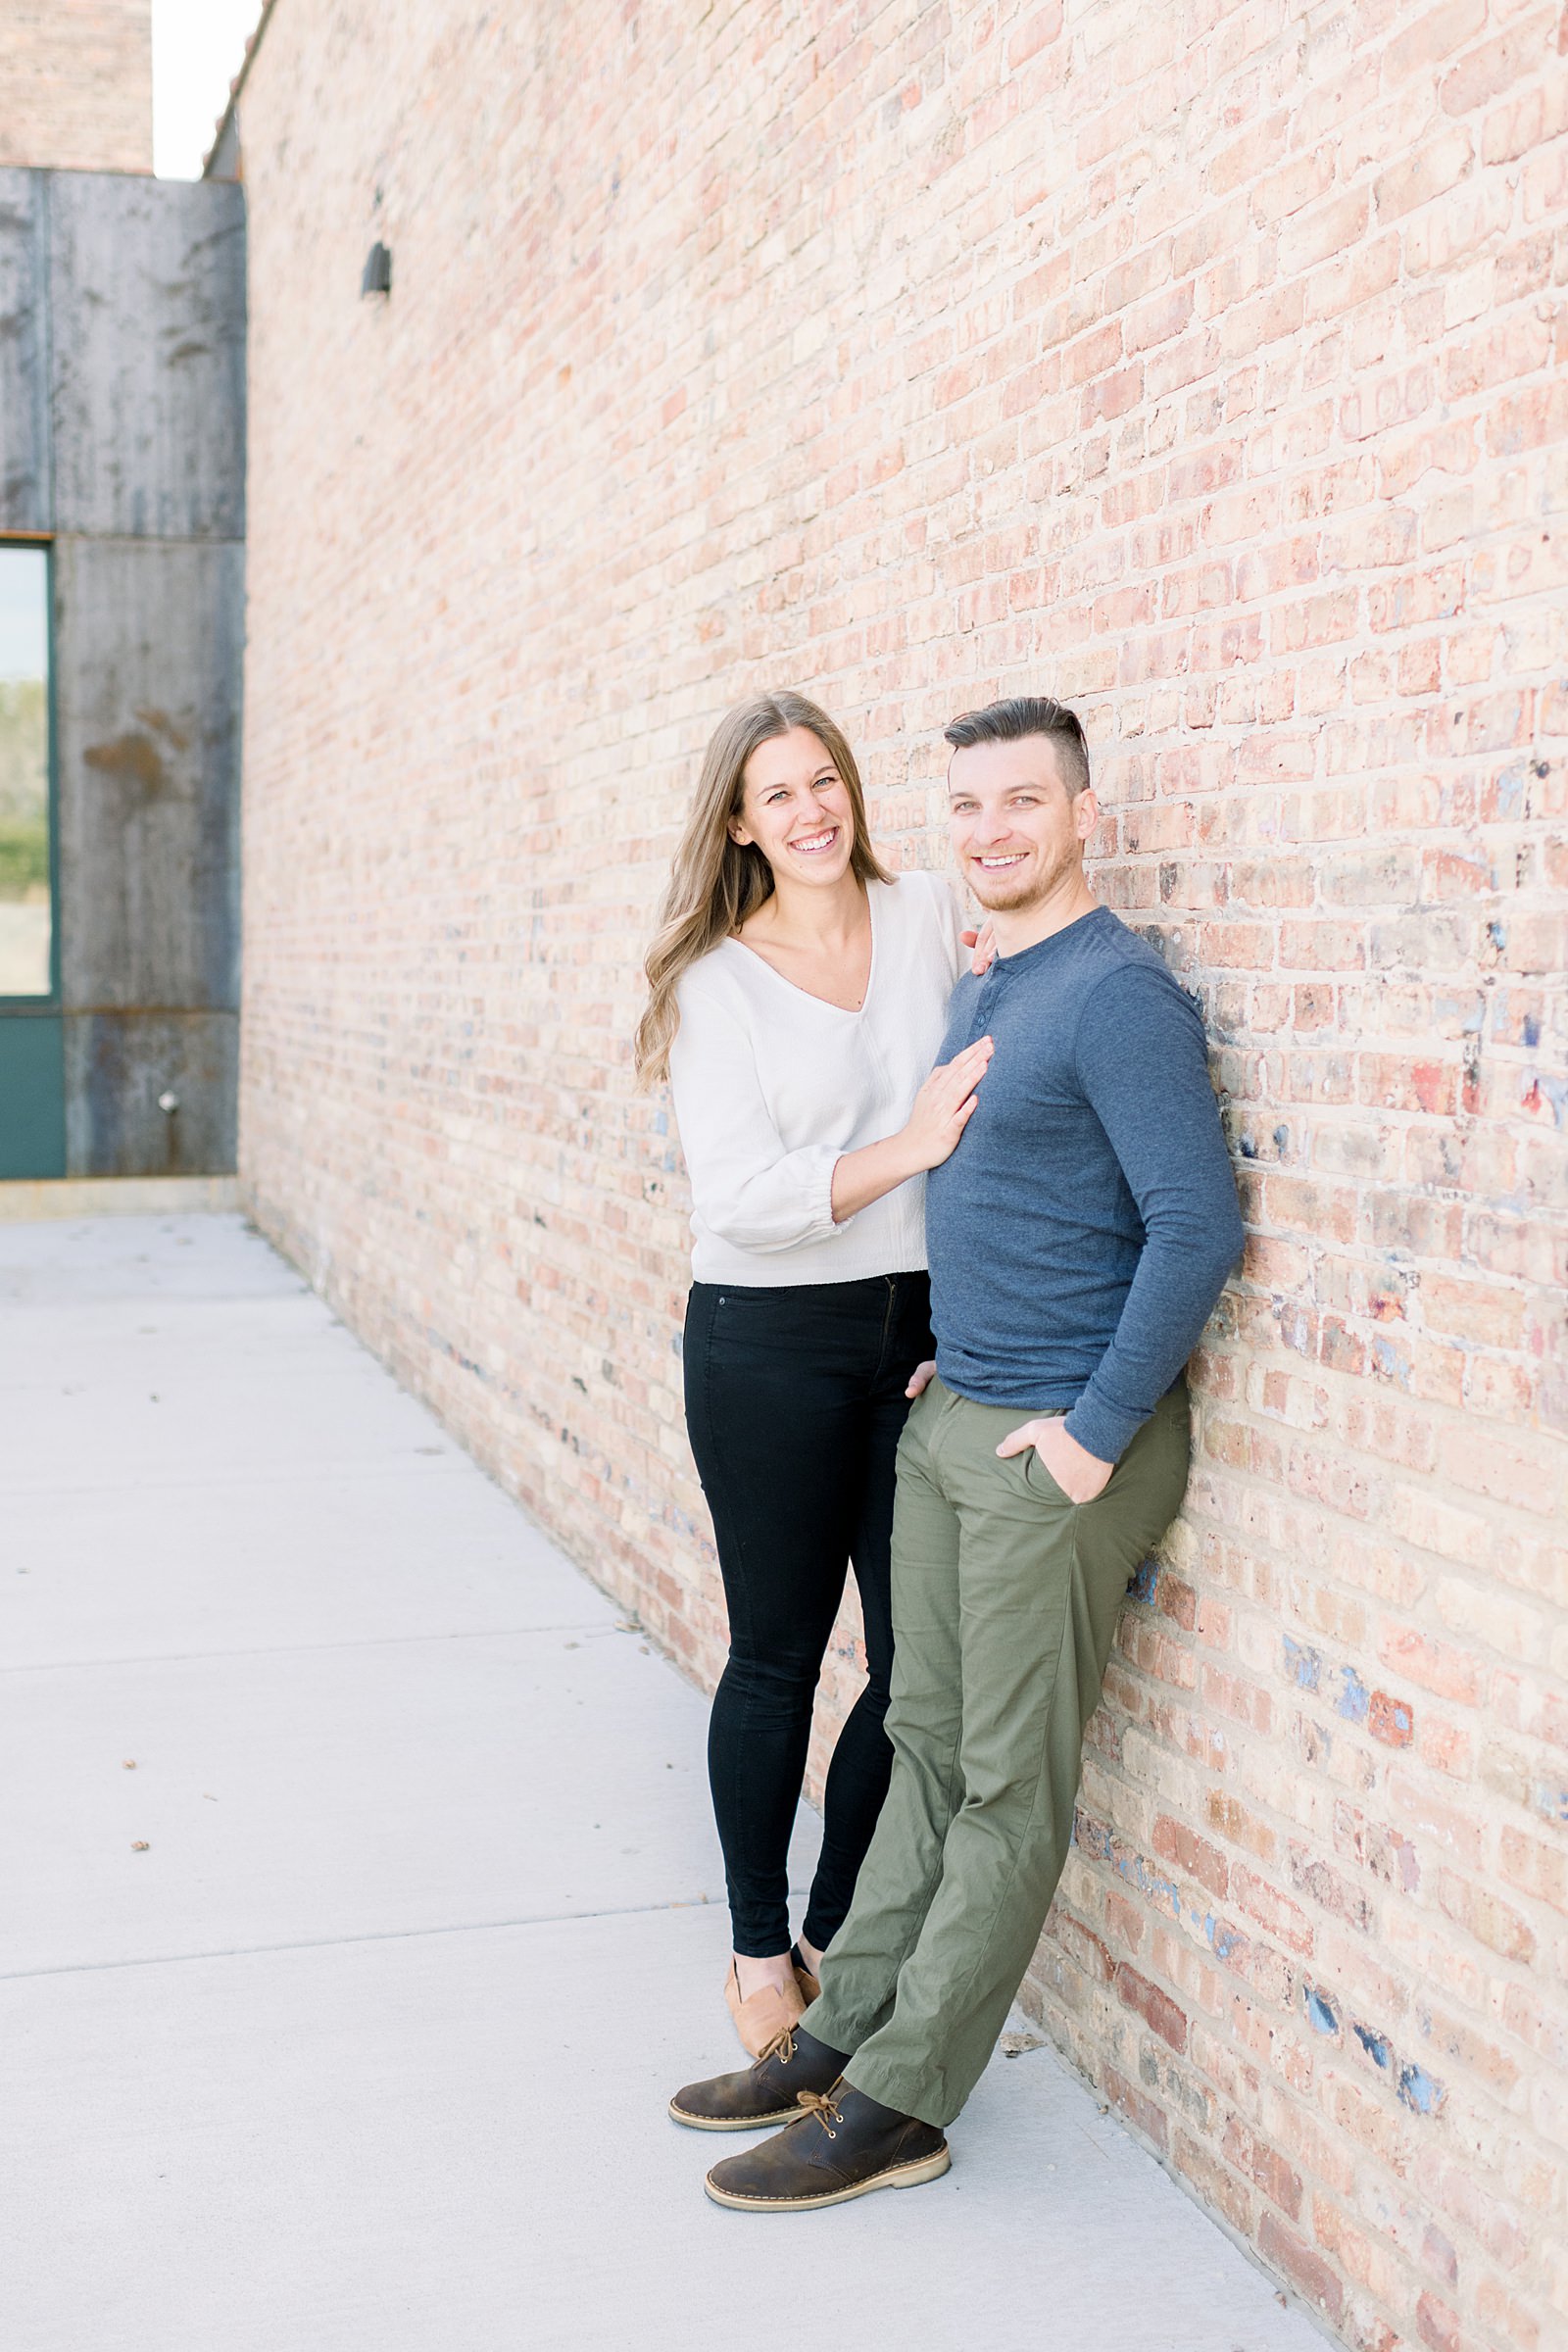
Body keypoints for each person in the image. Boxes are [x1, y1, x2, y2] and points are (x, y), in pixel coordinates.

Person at [668, 693, 1245, 2209]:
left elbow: (1197, 1224)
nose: (990, 832)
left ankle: (905, 2105)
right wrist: (958, 1359)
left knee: (1001, 1781)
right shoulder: (989, 975)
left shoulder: (1117, 993)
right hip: (955, 1410)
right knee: (917, 1736)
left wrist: (1094, 1435)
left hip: (1056, 1445)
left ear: (1082, 815)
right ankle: (839, 2032)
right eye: (970, 807)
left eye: (1023, 805)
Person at [637, 690, 995, 2056]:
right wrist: (906, 1150)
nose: (810, 810)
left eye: (825, 780)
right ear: (740, 821)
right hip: (767, 1342)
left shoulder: (920, 925)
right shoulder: (712, 981)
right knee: (779, 1657)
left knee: (916, 1675)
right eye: (778, 793)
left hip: (913, 1339)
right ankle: (752, 1949)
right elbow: (738, 1202)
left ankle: (839, 1935)